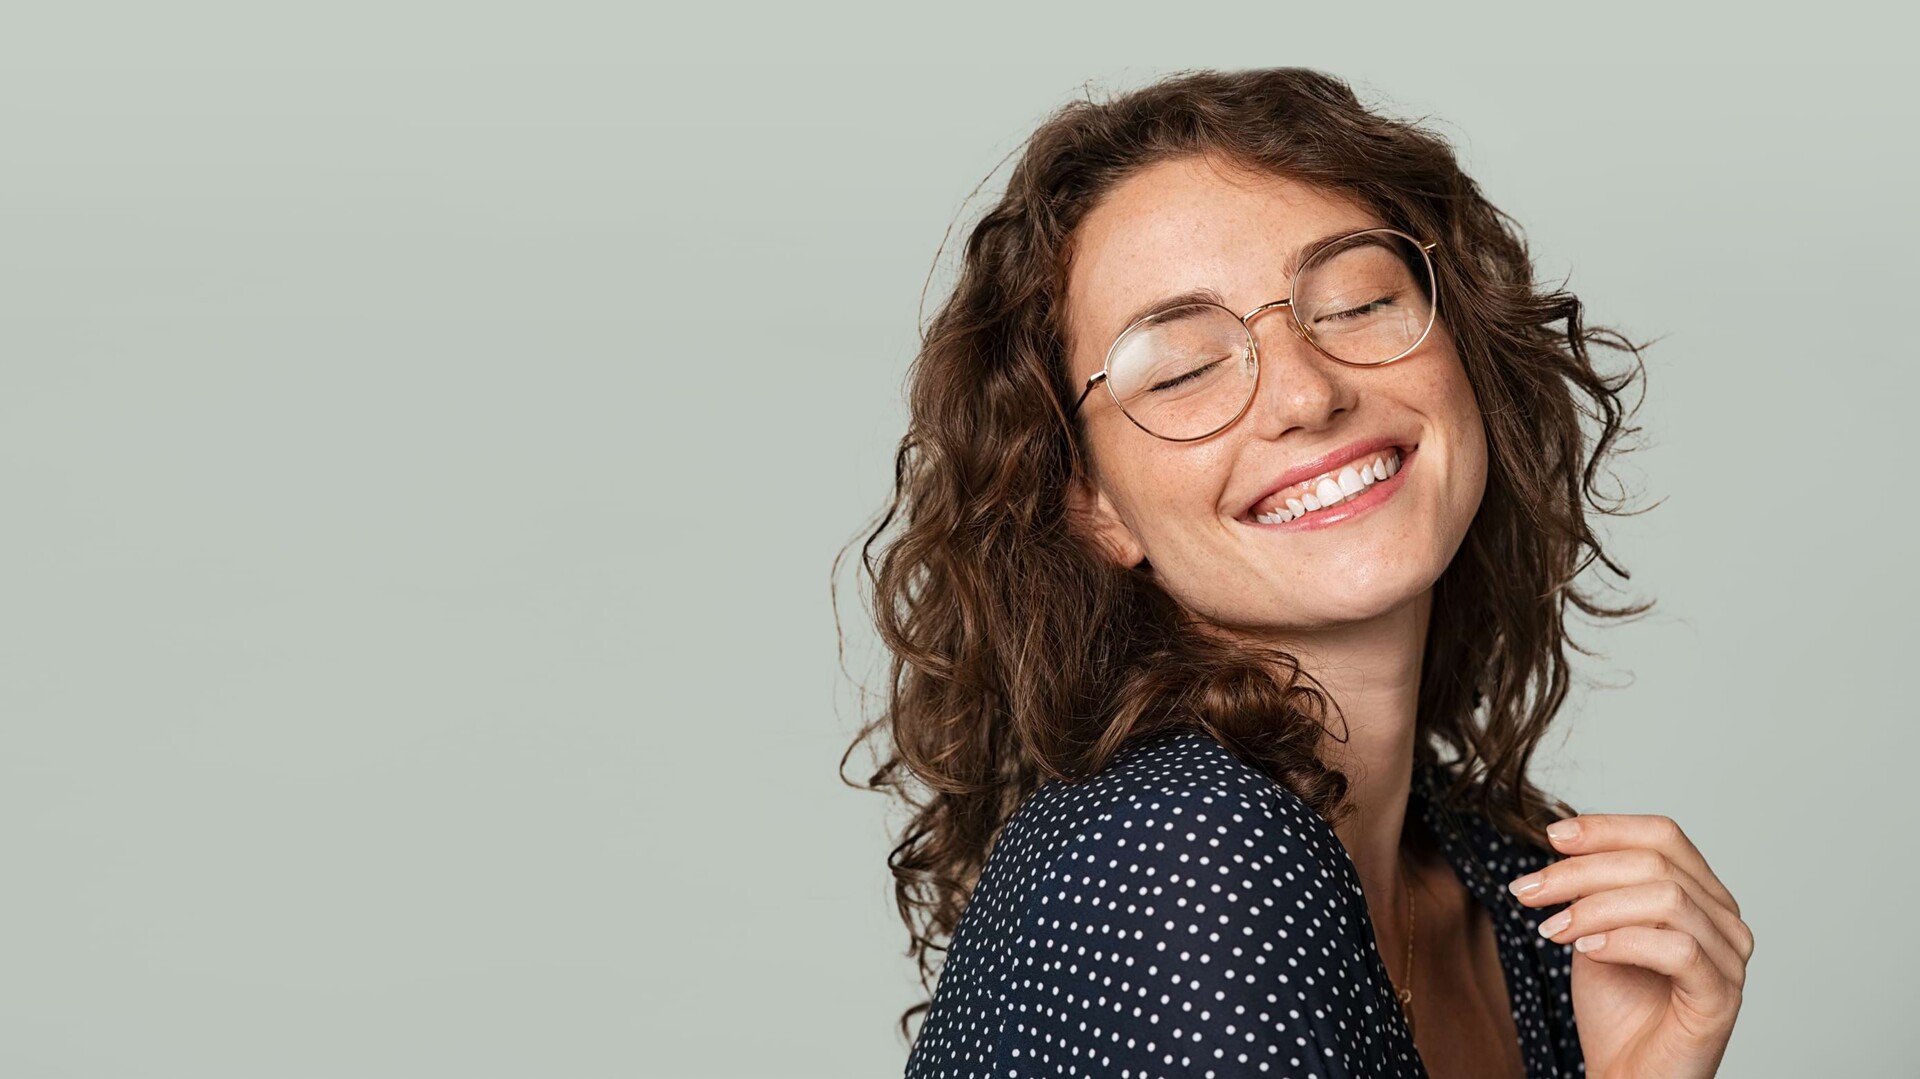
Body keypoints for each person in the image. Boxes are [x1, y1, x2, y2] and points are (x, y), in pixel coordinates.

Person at [838, 67, 1753, 1078]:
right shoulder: (1183, 853)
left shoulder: (1513, 889)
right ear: (1092, 504)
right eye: (1182, 367)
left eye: (1358, 301)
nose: (1308, 394)